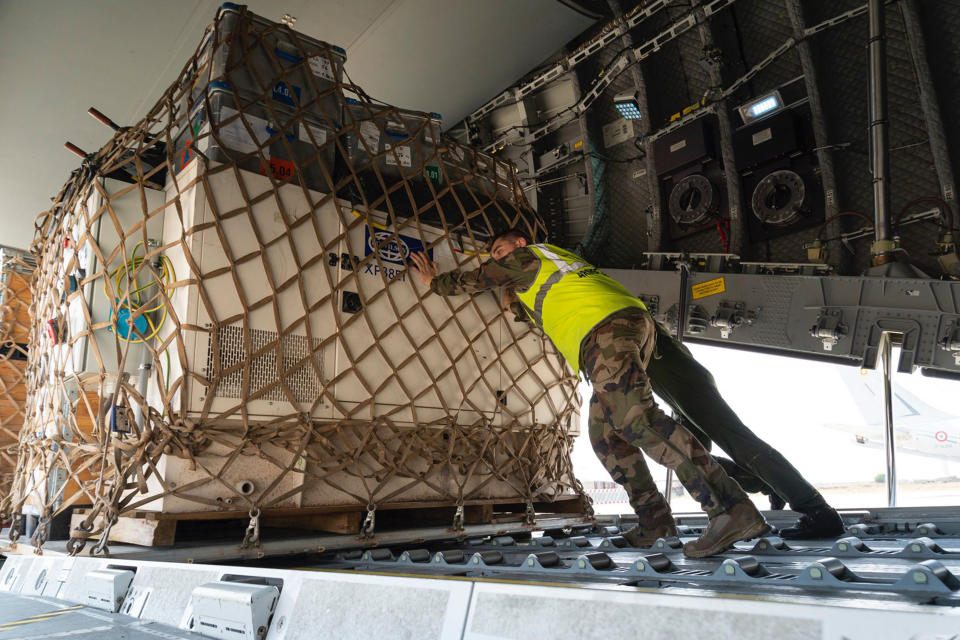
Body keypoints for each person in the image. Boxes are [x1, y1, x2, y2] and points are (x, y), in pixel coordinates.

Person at [409, 229, 771, 558]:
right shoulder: (554, 267)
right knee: (607, 436)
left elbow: (479, 278)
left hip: (606, 333)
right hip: (617, 331)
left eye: (499, 250)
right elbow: (539, 303)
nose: (496, 259)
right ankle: (654, 521)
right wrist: (515, 303)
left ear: (519, 245)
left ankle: (730, 509)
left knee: (640, 422)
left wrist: (434, 282)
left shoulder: (526, 256)